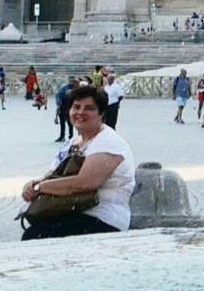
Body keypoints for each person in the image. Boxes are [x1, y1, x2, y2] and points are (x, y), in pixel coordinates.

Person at [20, 83, 137, 240]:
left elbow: (84, 183)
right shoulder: (75, 141)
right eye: (76, 107)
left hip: (103, 217)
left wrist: (40, 187)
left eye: (89, 108)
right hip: (71, 209)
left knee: (34, 236)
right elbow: (52, 173)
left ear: (101, 113)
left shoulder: (109, 142)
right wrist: (33, 184)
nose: (81, 112)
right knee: (35, 232)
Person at [53, 76, 77, 142]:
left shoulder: (76, 88)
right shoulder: (64, 88)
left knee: (70, 123)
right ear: (68, 81)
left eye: (72, 81)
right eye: (70, 81)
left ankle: (71, 137)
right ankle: (62, 136)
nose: (71, 82)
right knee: (62, 122)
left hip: (70, 107)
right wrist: (58, 102)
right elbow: (58, 95)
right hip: (63, 106)